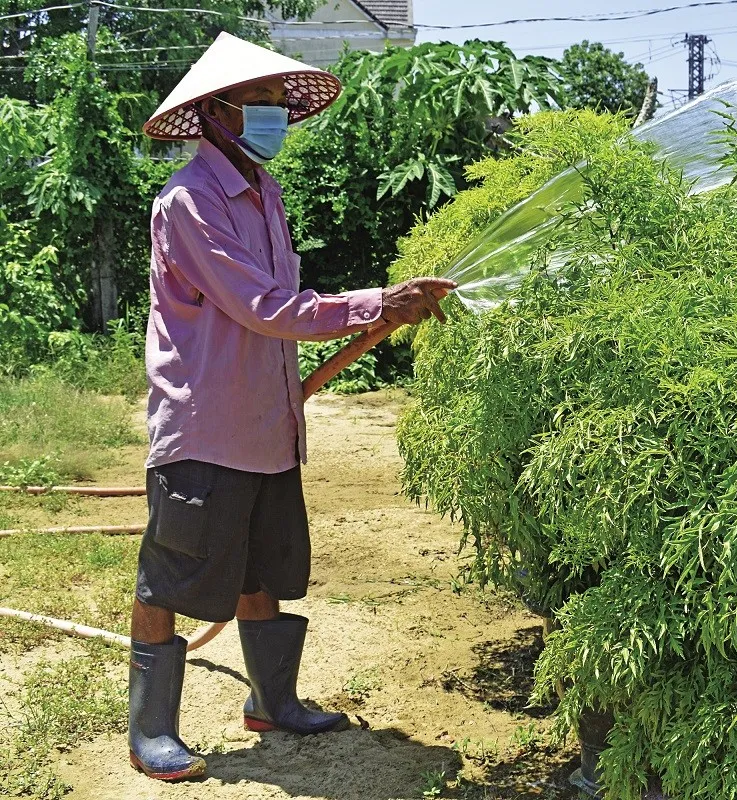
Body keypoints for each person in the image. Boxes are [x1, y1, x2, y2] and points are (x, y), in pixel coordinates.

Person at [130, 32, 455, 781]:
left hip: (270, 427)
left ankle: (273, 702)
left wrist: (378, 309)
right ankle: (151, 730)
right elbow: (264, 307)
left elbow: (277, 312)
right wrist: (378, 301)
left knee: (263, 570)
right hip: (207, 430)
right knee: (170, 581)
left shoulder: (264, 193)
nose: (275, 115)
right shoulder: (189, 201)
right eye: (260, 103)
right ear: (215, 113)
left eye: (279, 102)